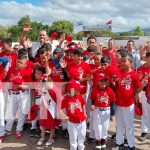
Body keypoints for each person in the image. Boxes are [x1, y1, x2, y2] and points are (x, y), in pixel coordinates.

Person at [112, 53, 147, 150]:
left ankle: (131, 145)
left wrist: (142, 85)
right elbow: (115, 87)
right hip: (118, 103)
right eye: (121, 61)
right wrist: (113, 82)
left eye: (124, 61)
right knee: (119, 124)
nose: (122, 63)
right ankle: (119, 143)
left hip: (129, 104)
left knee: (129, 125)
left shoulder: (134, 74)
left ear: (130, 62)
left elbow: (137, 90)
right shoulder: (118, 72)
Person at [4, 54, 33, 139]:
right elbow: (7, 80)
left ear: (25, 64)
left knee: (22, 113)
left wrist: (20, 86)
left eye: (21, 63)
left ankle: (18, 130)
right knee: (11, 112)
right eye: (18, 62)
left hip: (22, 94)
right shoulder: (11, 69)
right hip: (12, 94)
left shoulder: (26, 72)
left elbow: (30, 85)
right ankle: (8, 129)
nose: (19, 64)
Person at [90, 74, 116, 150]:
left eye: (105, 81)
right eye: (101, 81)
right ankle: (98, 142)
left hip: (106, 110)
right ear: (98, 82)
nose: (103, 83)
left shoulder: (109, 90)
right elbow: (93, 99)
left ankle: (103, 142)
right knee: (97, 127)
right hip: (97, 110)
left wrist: (112, 114)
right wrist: (92, 105)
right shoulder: (95, 89)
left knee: (105, 127)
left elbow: (112, 102)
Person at [60, 80, 87, 150]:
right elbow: (60, 109)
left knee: (82, 137)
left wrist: (84, 112)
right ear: (71, 89)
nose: (79, 90)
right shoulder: (65, 99)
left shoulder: (79, 96)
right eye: (78, 89)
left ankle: (81, 148)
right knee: (73, 139)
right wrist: (64, 115)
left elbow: (83, 104)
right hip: (72, 122)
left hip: (82, 121)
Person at [37, 78, 59, 146]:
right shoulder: (43, 89)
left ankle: (51, 139)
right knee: (42, 124)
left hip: (51, 110)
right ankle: (42, 137)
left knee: (52, 125)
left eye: (48, 83)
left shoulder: (55, 90)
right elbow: (40, 98)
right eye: (45, 84)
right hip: (44, 109)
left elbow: (58, 100)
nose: (46, 85)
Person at [137, 52, 150, 142]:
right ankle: (144, 131)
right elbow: (138, 83)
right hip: (145, 93)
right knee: (144, 113)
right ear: (147, 58)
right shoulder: (140, 68)